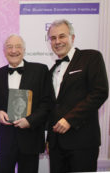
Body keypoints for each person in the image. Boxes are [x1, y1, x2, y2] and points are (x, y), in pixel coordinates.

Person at [47, 19, 109, 173]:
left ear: (72, 38)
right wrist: (49, 139)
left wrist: (69, 119)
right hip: (56, 146)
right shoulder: (51, 70)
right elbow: (52, 106)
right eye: (53, 38)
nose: (57, 41)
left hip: (82, 142)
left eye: (62, 36)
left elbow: (100, 92)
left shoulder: (91, 57)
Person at [0, 34, 53, 173]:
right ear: (4, 52)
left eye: (18, 46)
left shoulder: (40, 70)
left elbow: (47, 102)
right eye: (9, 47)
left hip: (30, 138)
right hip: (5, 140)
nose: (14, 50)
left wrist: (30, 121)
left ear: (24, 50)